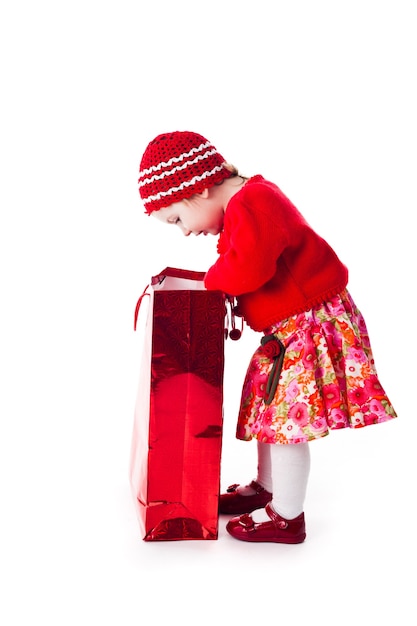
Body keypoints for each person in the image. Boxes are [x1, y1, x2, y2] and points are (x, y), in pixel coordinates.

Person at [137, 130, 397, 544]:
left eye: (177, 219)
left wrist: (212, 282)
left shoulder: (252, 202)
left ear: (199, 189)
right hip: (289, 329)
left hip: (307, 326)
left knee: (286, 424)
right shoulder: (248, 200)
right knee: (269, 416)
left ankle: (287, 516)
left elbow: (247, 268)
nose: (184, 232)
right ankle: (268, 486)